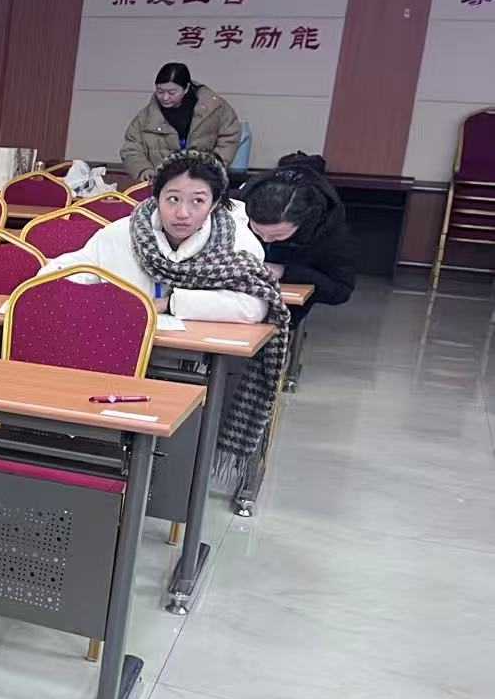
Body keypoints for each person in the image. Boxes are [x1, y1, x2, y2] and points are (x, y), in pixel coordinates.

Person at [41, 149, 288, 474]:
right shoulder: (122, 233)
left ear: (214, 203)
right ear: (156, 197)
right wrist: (110, 302)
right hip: (116, 354)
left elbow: (254, 305)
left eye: (197, 201)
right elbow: (59, 273)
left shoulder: (237, 243)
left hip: (191, 362)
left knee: (179, 441)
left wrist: (173, 303)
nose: (182, 213)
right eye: (172, 199)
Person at [241, 152, 356, 317]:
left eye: (278, 235)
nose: (265, 239)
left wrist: (285, 272)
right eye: (257, 231)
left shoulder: (328, 227)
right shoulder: (237, 206)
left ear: (304, 222)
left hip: (288, 303)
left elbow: (340, 291)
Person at [120, 63, 241, 182]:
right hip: (163, 182)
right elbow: (131, 148)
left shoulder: (213, 108)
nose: (165, 97)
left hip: (205, 181)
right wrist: (143, 170)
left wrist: (214, 166)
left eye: (172, 93)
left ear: (186, 88)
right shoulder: (146, 117)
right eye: (160, 91)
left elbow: (230, 135)